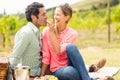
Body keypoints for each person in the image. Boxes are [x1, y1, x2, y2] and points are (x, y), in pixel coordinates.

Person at [40, 3, 114, 80]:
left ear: (67, 17)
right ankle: (92, 72)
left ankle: (88, 75)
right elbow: (46, 56)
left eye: (58, 14)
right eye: (55, 14)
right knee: (71, 72)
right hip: (58, 69)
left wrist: (52, 33)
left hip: (69, 64)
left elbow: (58, 51)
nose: (55, 17)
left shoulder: (72, 34)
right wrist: (41, 75)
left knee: (71, 47)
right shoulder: (46, 32)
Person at [9, 2, 47, 80]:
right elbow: (14, 58)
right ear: (34, 17)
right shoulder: (26, 33)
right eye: (43, 14)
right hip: (28, 77)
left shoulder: (38, 32)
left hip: (38, 75)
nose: (46, 17)